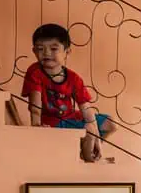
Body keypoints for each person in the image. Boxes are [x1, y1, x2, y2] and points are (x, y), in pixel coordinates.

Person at [21, 24, 116, 162]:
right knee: (88, 128)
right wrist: (36, 126)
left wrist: (98, 141)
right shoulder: (35, 72)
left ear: (67, 51)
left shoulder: (73, 78)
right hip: (51, 122)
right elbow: (35, 105)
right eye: (40, 49)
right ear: (34, 51)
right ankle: (91, 160)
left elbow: (87, 110)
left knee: (109, 124)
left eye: (54, 49)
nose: (47, 53)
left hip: (70, 118)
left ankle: (91, 151)